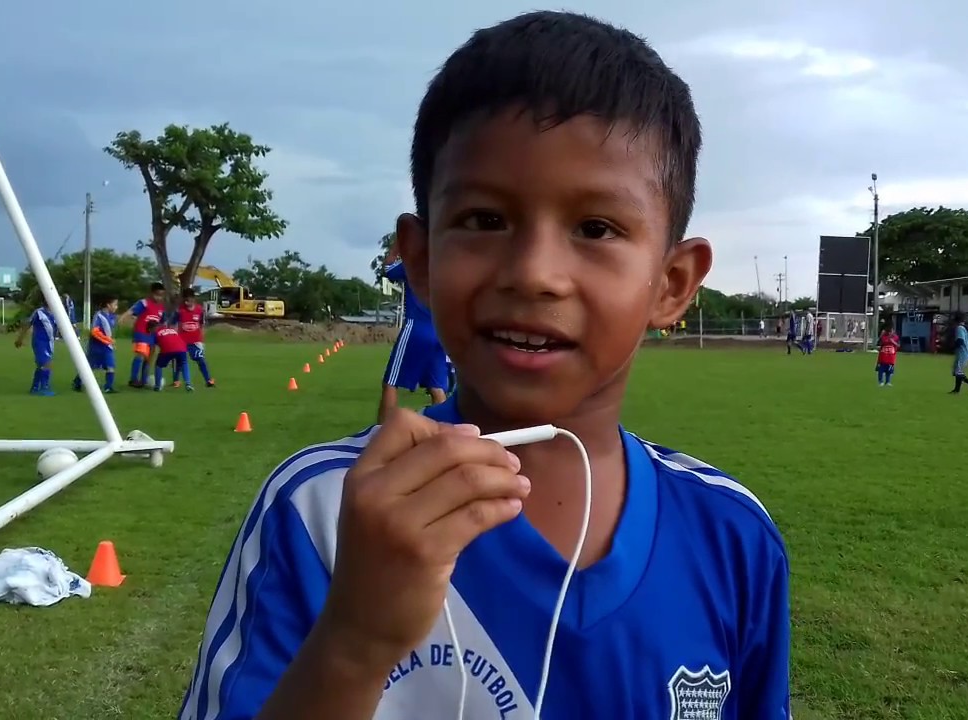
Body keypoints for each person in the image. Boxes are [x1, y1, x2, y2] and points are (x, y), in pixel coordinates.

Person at [177, 11, 790, 720]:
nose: (534, 274)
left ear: (672, 283)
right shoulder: (320, 512)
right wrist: (356, 640)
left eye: (596, 229)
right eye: (485, 220)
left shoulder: (732, 535)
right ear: (422, 259)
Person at [377, 241, 450, 423]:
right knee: (436, 388)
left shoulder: (414, 262)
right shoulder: (446, 264)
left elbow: (388, 269)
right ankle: (446, 434)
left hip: (416, 327)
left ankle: (379, 434)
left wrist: (397, 246)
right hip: (440, 331)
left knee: (390, 383)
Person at [120, 282, 167, 388]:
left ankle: (144, 380)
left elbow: (162, 322)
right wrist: (123, 317)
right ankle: (133, 379)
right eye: (157, 294)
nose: (159, 297)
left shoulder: (161, 307)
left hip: (153, 335)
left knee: (149, 358)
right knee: (141, 355)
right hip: (141, 333)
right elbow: (132, 311)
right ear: (151, 293)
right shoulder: (144, 303)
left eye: (161, 295)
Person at [72, 295, 120, 394]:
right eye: (115, 305)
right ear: (108, 305)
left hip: (107, 347)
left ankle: (108, 387)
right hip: (96, 347)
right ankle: (77, 382)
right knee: (89, 367)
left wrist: (110, 341)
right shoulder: (99, 316)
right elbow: (94, 331)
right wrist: (107, 340)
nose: (116, 307)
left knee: (110, 365)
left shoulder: (112, 317)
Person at [13, 294, 58, 396]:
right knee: (47, 364)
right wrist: (20, 339)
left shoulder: (56, 313)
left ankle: (35, 388)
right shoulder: (39, 313)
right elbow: (27, 324)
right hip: (39, 342)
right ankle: (44, 387)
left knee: (41, 365)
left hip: (50, 343)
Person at [175, 288, 215, 388]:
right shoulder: (180, 311)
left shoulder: (200, 310)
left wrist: (201, 339)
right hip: (182, 341)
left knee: (201, 360)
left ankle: (208, 380)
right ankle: (176, 381)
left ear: (193, 299)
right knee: (179, 361)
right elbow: (175, 325)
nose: (187, 303)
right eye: (185, 300)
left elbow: (202, 325)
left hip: (196, 341)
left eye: (189, 300)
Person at [150, 319, 192, 392]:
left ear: (152, 328)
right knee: (184, 363)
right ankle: (188, 384)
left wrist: (150, 359)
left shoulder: (155, 333)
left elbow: (153, 349)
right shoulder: (171, 329)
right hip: (182, 348)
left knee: (158, 366)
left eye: (150, 330)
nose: (150, 332)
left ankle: (157, 386)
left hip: (168, 349)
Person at [950, 314, 968, 395]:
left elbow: (960, 341)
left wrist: (953, 347)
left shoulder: (960, 328)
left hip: (962, 352)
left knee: (957, 371)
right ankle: (956, 390)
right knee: (958, 371)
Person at [876, 323, 900, 387]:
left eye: (891, 331)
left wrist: (893, 341)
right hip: (883, 357)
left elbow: (898, 345)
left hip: (891, 357)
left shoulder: (896, 337)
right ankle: (881, 381)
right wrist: (882, 336)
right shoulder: (883, 337)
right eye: (889, 331)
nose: (890, 333)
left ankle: (888, 382)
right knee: (881, 370)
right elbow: (882, 342)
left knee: (889, 371)